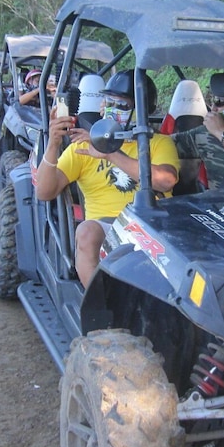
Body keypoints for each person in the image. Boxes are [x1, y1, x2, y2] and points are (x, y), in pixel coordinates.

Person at [35, 69, 180, 287]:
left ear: (142, 112)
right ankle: (102, 309)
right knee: (85, 231)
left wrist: (109, 152)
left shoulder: (158, 143)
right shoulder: (83, 145)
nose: (110, 109)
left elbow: (165, 181)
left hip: (151, 227)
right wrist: (53, 144)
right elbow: (44, 192)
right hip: (104, 227)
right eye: (107, 102)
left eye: (121, 105)